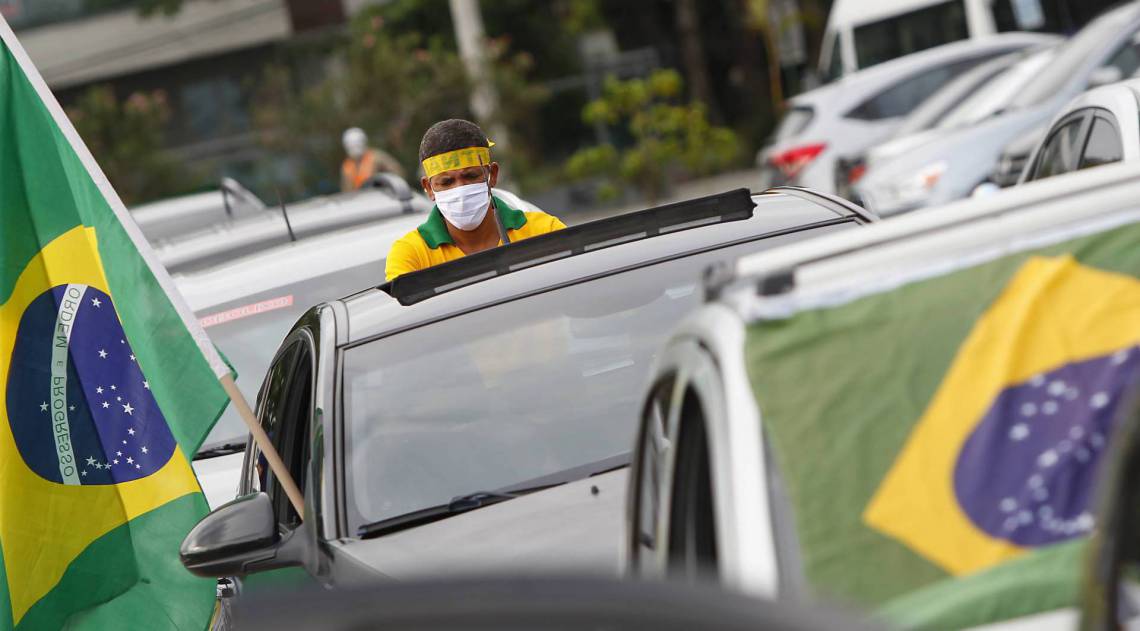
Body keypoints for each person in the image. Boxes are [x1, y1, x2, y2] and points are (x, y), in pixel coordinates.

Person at [385, 119, 566, 281]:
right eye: (446, 182)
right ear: (429, 188)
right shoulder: (411, 255)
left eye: (470, 176)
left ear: (492, 175)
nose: (460, 190)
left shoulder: (544, 231)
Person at [341, 127, 405, 191]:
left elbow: (398, 171)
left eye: (357, 145)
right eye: (352, 146)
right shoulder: (347, 166)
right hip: (359, 196)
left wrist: (384, 186)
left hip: (378, 194)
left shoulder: (376, 157)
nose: (355, 149)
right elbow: (346, 189)